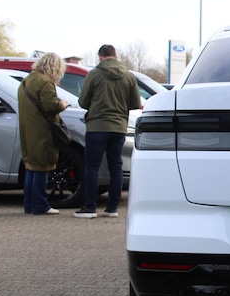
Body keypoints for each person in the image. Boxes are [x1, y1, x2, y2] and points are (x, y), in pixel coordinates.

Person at [74, 44, 141, 219]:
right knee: (116, 167)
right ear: (115, 56)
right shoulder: (128, 76)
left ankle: (89, 207)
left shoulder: (94, 74)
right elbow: (135, 103)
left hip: (97, 126)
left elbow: (82, 102)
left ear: (100, 57)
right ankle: (112, 208)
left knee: (92, 167)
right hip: (119, 127)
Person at [17, 53, 69, 215]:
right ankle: (40, 205)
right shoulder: (45, 82)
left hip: (29, 129)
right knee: (42, 166)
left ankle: (29, 204)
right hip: (42, 131)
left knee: (31, 167)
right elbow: (50, 106)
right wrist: (62, 104)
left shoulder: (27, 80)